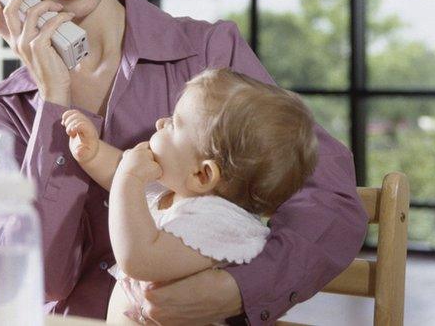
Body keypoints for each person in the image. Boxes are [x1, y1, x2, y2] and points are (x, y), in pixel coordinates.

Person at [0, 0, 367, 324]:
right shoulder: (7, 109)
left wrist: (237, 288)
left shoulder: (208, 53)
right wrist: (53, 100)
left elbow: (329, 196)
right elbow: (32, 282)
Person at [61, 68, 319, 324]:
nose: (160, 122)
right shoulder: (177, 192)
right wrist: (93, 154)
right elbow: (119, 172)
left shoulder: (219, 222)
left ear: (202, 175)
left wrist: (129, 179)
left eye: (174, 124)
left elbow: (137, 259)